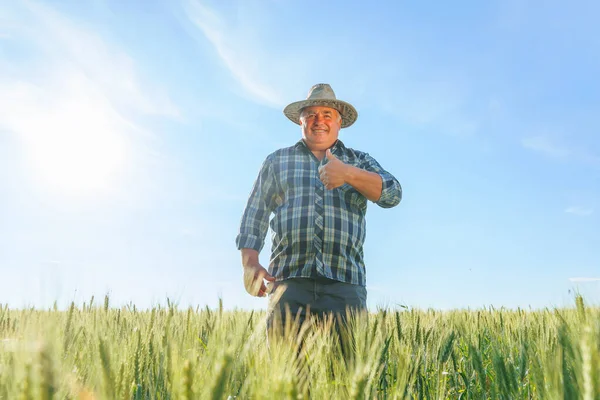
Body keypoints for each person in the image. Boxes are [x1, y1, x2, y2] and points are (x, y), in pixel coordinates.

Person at [235, 83, 402, 339]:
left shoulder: (359, 161)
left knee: (347, 373)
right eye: (311, 115)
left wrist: (348, 173)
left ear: (339, 123)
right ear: (300, 122)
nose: (318, 121)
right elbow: (254, 213)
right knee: (286, 377)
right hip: (289, 283)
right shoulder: (277, 161)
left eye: (327, 115)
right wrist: (249, 263)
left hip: (345, 284)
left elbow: (393, 194)